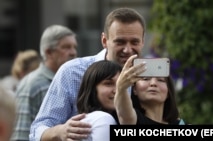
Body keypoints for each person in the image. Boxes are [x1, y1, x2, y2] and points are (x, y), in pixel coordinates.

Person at [30, 7, 146, 141]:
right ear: (104, 41)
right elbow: (37, 130)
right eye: (120, 42)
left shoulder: (151, 79)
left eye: (134, 42)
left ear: (142, 42)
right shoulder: (72, 72)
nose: (127, 49)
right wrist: (60, 131)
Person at [11, 25, 78, 141]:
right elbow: (20, 134)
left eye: (74, 47)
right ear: (49, 52)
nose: (73, 52)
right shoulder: (32, 84)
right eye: (66, 47)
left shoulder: (72, 80)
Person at [114, 54, 185, 125]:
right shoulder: (133, 120)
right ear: (135, 89)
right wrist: (121, 88)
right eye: (146, 79)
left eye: (160, 80)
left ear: (168, 92)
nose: (153, 83)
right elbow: (124, 114)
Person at [77, 60, 122, 141]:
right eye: (108, 83)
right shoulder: (103, 119)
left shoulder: (92, 119)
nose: (116, 90)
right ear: (92, 89)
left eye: (120, 84)